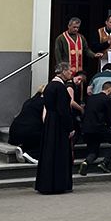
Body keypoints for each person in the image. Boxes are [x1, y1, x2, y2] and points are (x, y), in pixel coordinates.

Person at [36, 63, 81, 195]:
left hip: (50, 121)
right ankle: (58, 184)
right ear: (63, 71)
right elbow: (64, 110)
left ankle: (46, 184)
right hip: (59, 125)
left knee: (49, 152)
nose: (71, 73)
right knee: (59, 153)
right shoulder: (60, 87)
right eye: (69, 71)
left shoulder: (49, 85)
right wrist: (70, 127)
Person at [78, 81, 111, 175]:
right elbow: (110, 117)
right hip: (99, 128)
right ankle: (105, 162)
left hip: (86, 128)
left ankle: (86, 162)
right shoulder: (107, 100)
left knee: (94, 150)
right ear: (109, 90)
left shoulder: (90, 98)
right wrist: (110, 127)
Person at [9, 88, 46, 163]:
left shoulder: (29, 101)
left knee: (33, 134)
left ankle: (22, 148)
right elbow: (44, 119)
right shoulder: (44, 102)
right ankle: (32, 154)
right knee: (46, 136)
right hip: (28, 132)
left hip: (14, 130)